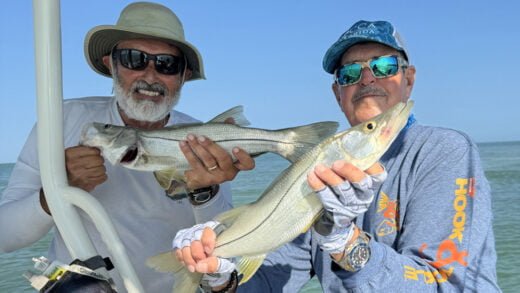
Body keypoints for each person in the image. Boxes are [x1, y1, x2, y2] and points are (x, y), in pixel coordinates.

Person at [173, 20, 501, 292]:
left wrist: (346, 242)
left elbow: (455, 286)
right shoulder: (322, 173)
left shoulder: (444, 151)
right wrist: (219, 275)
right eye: (349, 74)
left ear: (409, 79)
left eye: (384, 66)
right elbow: (270, 281)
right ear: (337, 93)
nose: (368, 79)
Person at [0, 2, 254, 292]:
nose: (150, 74)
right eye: (134, 59)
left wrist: (205, 193)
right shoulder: (60, 120)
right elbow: (5, 236)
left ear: (183, 76)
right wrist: (58, 189)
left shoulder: (202, 141)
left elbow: (223, 252)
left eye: (167, 64)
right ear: (112, 64)